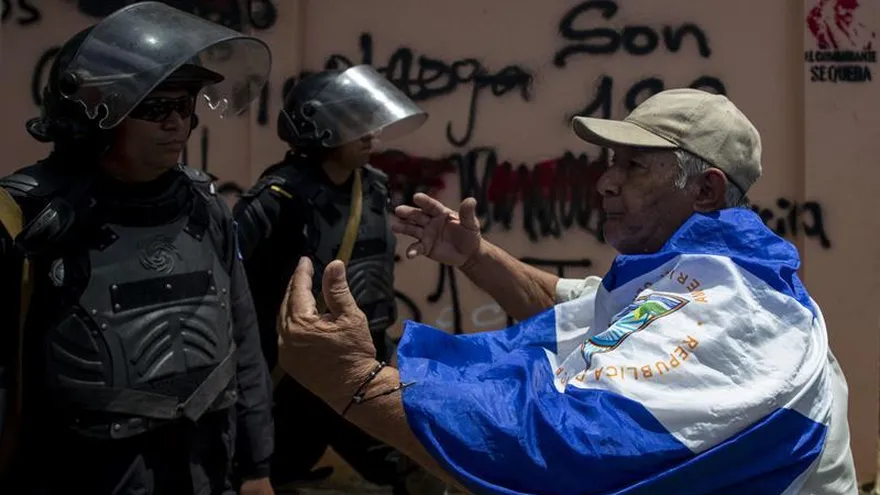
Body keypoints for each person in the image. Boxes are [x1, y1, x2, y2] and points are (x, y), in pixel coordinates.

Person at [273, 88, 859, 494]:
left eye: (633, 166)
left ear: (704, 191)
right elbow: (579, 309)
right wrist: (474, 256)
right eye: (611, 162)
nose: (605, 181)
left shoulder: (726, 307)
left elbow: (558, 450)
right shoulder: (695, 272)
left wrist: (353, 381)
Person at [0, 3, 275, 494]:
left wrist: (257, 467)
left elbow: (244, 341)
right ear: (97, 115)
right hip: (87, 469)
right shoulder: (28, 217)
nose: (176, 123)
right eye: (154, 107)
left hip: (205, 463)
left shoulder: (204, 206)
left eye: (184, 105)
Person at [233, 66, 446, 494]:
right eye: (355, 123)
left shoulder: (373, 187)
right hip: (291, 379)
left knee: (418, 465)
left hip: (361, 366)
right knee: (269, 473)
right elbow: (228, 282)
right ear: (321, 130)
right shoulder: (277, 199)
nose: (371, 135)